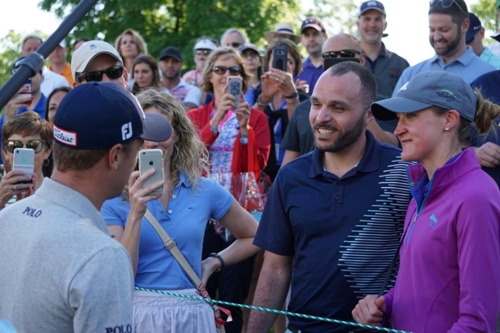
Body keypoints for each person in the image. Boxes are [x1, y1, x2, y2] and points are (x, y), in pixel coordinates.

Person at [246, 61, 411, 333]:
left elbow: (425, 263)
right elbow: (275, 269)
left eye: (338, 107)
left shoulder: (403, 172)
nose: (321, 117)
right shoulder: (290, 177)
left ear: (369, 115)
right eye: (316, 104)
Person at [0, 81, 172, 332]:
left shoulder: (7, 218)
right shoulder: (103, 256)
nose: (138, 160)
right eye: (138, 150)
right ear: (115, 156)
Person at [353, 71, 500, 333]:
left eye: (411, 115)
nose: (398, 130)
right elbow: (425, 284)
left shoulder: (476, 196)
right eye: (398, 119)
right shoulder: (423, 188)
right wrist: (384, 305)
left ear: (449, 119)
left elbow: (478, 322)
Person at [101, 89, 259, 332]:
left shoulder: (204, 189)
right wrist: (135, 213)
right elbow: (122, 276)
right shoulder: (112, 196)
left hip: (192, 313)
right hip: (138, 313)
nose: (152, 142)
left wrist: (214, 262)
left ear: (177, 136)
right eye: (144, 132)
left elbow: (254, 235)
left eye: (161, 130)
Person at [187, 46, 270, 333]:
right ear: (209, 76)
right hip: (200, 210)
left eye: (234, 70)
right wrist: (213, 123)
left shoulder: (257, 118)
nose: (226, 76)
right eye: (220, 69)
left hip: (239, 213)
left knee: (234, 298)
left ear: (243, 78)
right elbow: (189, 159)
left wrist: (245, 130)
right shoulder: (197, 116)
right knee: (199, 291)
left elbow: (256, 167)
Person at [281, 33, 399, 167]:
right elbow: (287, 167)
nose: (338, 60)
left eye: (346, 54)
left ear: (361, 60)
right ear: (322, 62)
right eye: (330, 56)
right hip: (310, 184)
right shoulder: (303, 109)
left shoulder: (384, 107)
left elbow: (391, 150)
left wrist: (361, 107)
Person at [392, 0, 495, 95]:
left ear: (465, 26)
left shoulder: (488, 74)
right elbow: (394, 114)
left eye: (444, 30)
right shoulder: (411, 74)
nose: (436, 37)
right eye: (432, 30)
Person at [253, 38, 307, 180]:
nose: (283, 64)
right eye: (277, 59)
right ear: (267, 64)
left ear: (296, 67)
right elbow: (247, 126)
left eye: (289, 61)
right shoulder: (258, 93)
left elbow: (302, 131)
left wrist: (291, 95)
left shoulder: (303, 99)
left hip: (294, 172)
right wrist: (263, 100)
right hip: (260, 173)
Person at [357, 0, 409, 101]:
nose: (372, 24)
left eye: (378, 19)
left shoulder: (401, 64)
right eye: (367, 19)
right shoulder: (347, 60)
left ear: (385, 25)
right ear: (358, 24)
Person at [0, 112, 52, 209]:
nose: (25, 150)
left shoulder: (56, 194)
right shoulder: (1, 194)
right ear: (5, 152)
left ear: (47, 151)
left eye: (33, 145)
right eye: (15, 145)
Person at [0, 57, 46, 164]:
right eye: (20, 76)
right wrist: (8, 118)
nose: (27, 78)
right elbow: (3, 158)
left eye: (31, 73)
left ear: (42, 78)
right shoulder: (7, 113)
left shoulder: (53, 107)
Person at [158, 46, 202, 110]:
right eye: (166, 61)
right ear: (159, 64)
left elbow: (189, 109)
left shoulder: (193, 90)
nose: (170, 65)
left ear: (181, 64)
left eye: (174, 61)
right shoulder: (153, 88)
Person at [43, 86, 71, 177]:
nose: (57, 113)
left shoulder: (86, 148)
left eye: (64, 106)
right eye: (52, 108)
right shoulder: (39, 149)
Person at [297, 17, 327, 96]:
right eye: (307, 35)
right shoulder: (297, 71)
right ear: (301, 40)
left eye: (315, 34)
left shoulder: (334, 68)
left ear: (325, 37)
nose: (311, 39)